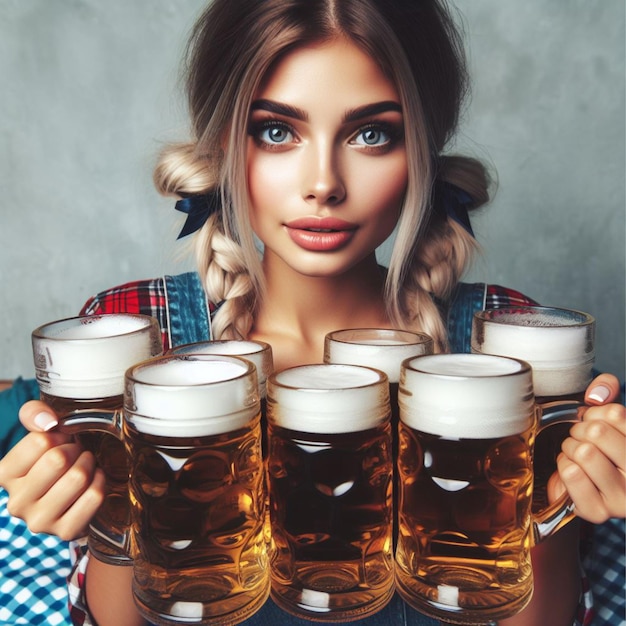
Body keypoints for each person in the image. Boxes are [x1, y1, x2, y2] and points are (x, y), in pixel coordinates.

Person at [0, 1, 624, 625]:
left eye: (371, 133)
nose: (323, 182)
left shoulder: (508, 341)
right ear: (224, 143)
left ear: (423, 155)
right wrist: (97, 519)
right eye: (277, 131)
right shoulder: (137, 333)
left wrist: (563, 493)